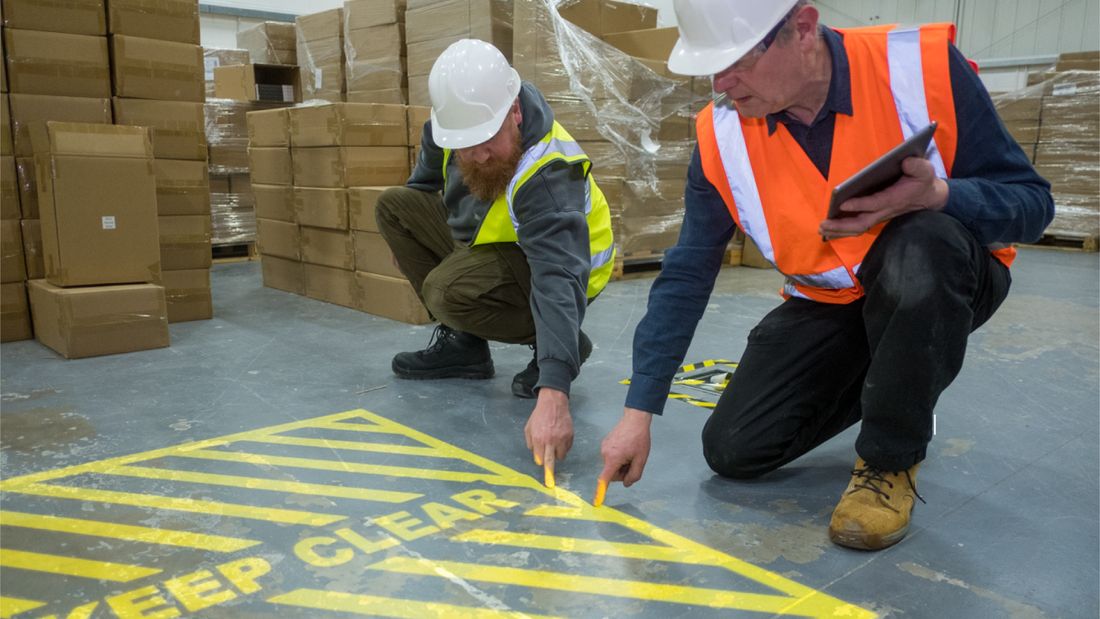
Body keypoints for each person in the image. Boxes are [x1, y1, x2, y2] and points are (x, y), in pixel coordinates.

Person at [596, 0, 1053, 550]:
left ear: (804, 28)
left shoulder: (919, 68)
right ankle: (903, 383)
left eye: (737, 60)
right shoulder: (722, 134)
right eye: (711, 66)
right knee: (735, 449)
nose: (721, 83)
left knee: (919, 242)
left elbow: (1033, 207)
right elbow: (688, 271)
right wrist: (638, 413)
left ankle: (891, 457)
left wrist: (938, 195)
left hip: (939, 276)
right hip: (832, 301)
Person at [376, 39, 615, 483]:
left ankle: (557, 346)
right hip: (495, 244)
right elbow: (424, 181)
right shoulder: (453, 125)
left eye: (489, 140)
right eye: (466, 146)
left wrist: (554, 389)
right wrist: (408, 238)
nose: (480, 155)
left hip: (565, 272)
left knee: (443, 290)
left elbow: (557, 277)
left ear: (515, 112)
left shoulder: (547, 172)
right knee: (394, 208)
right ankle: (465, 346)